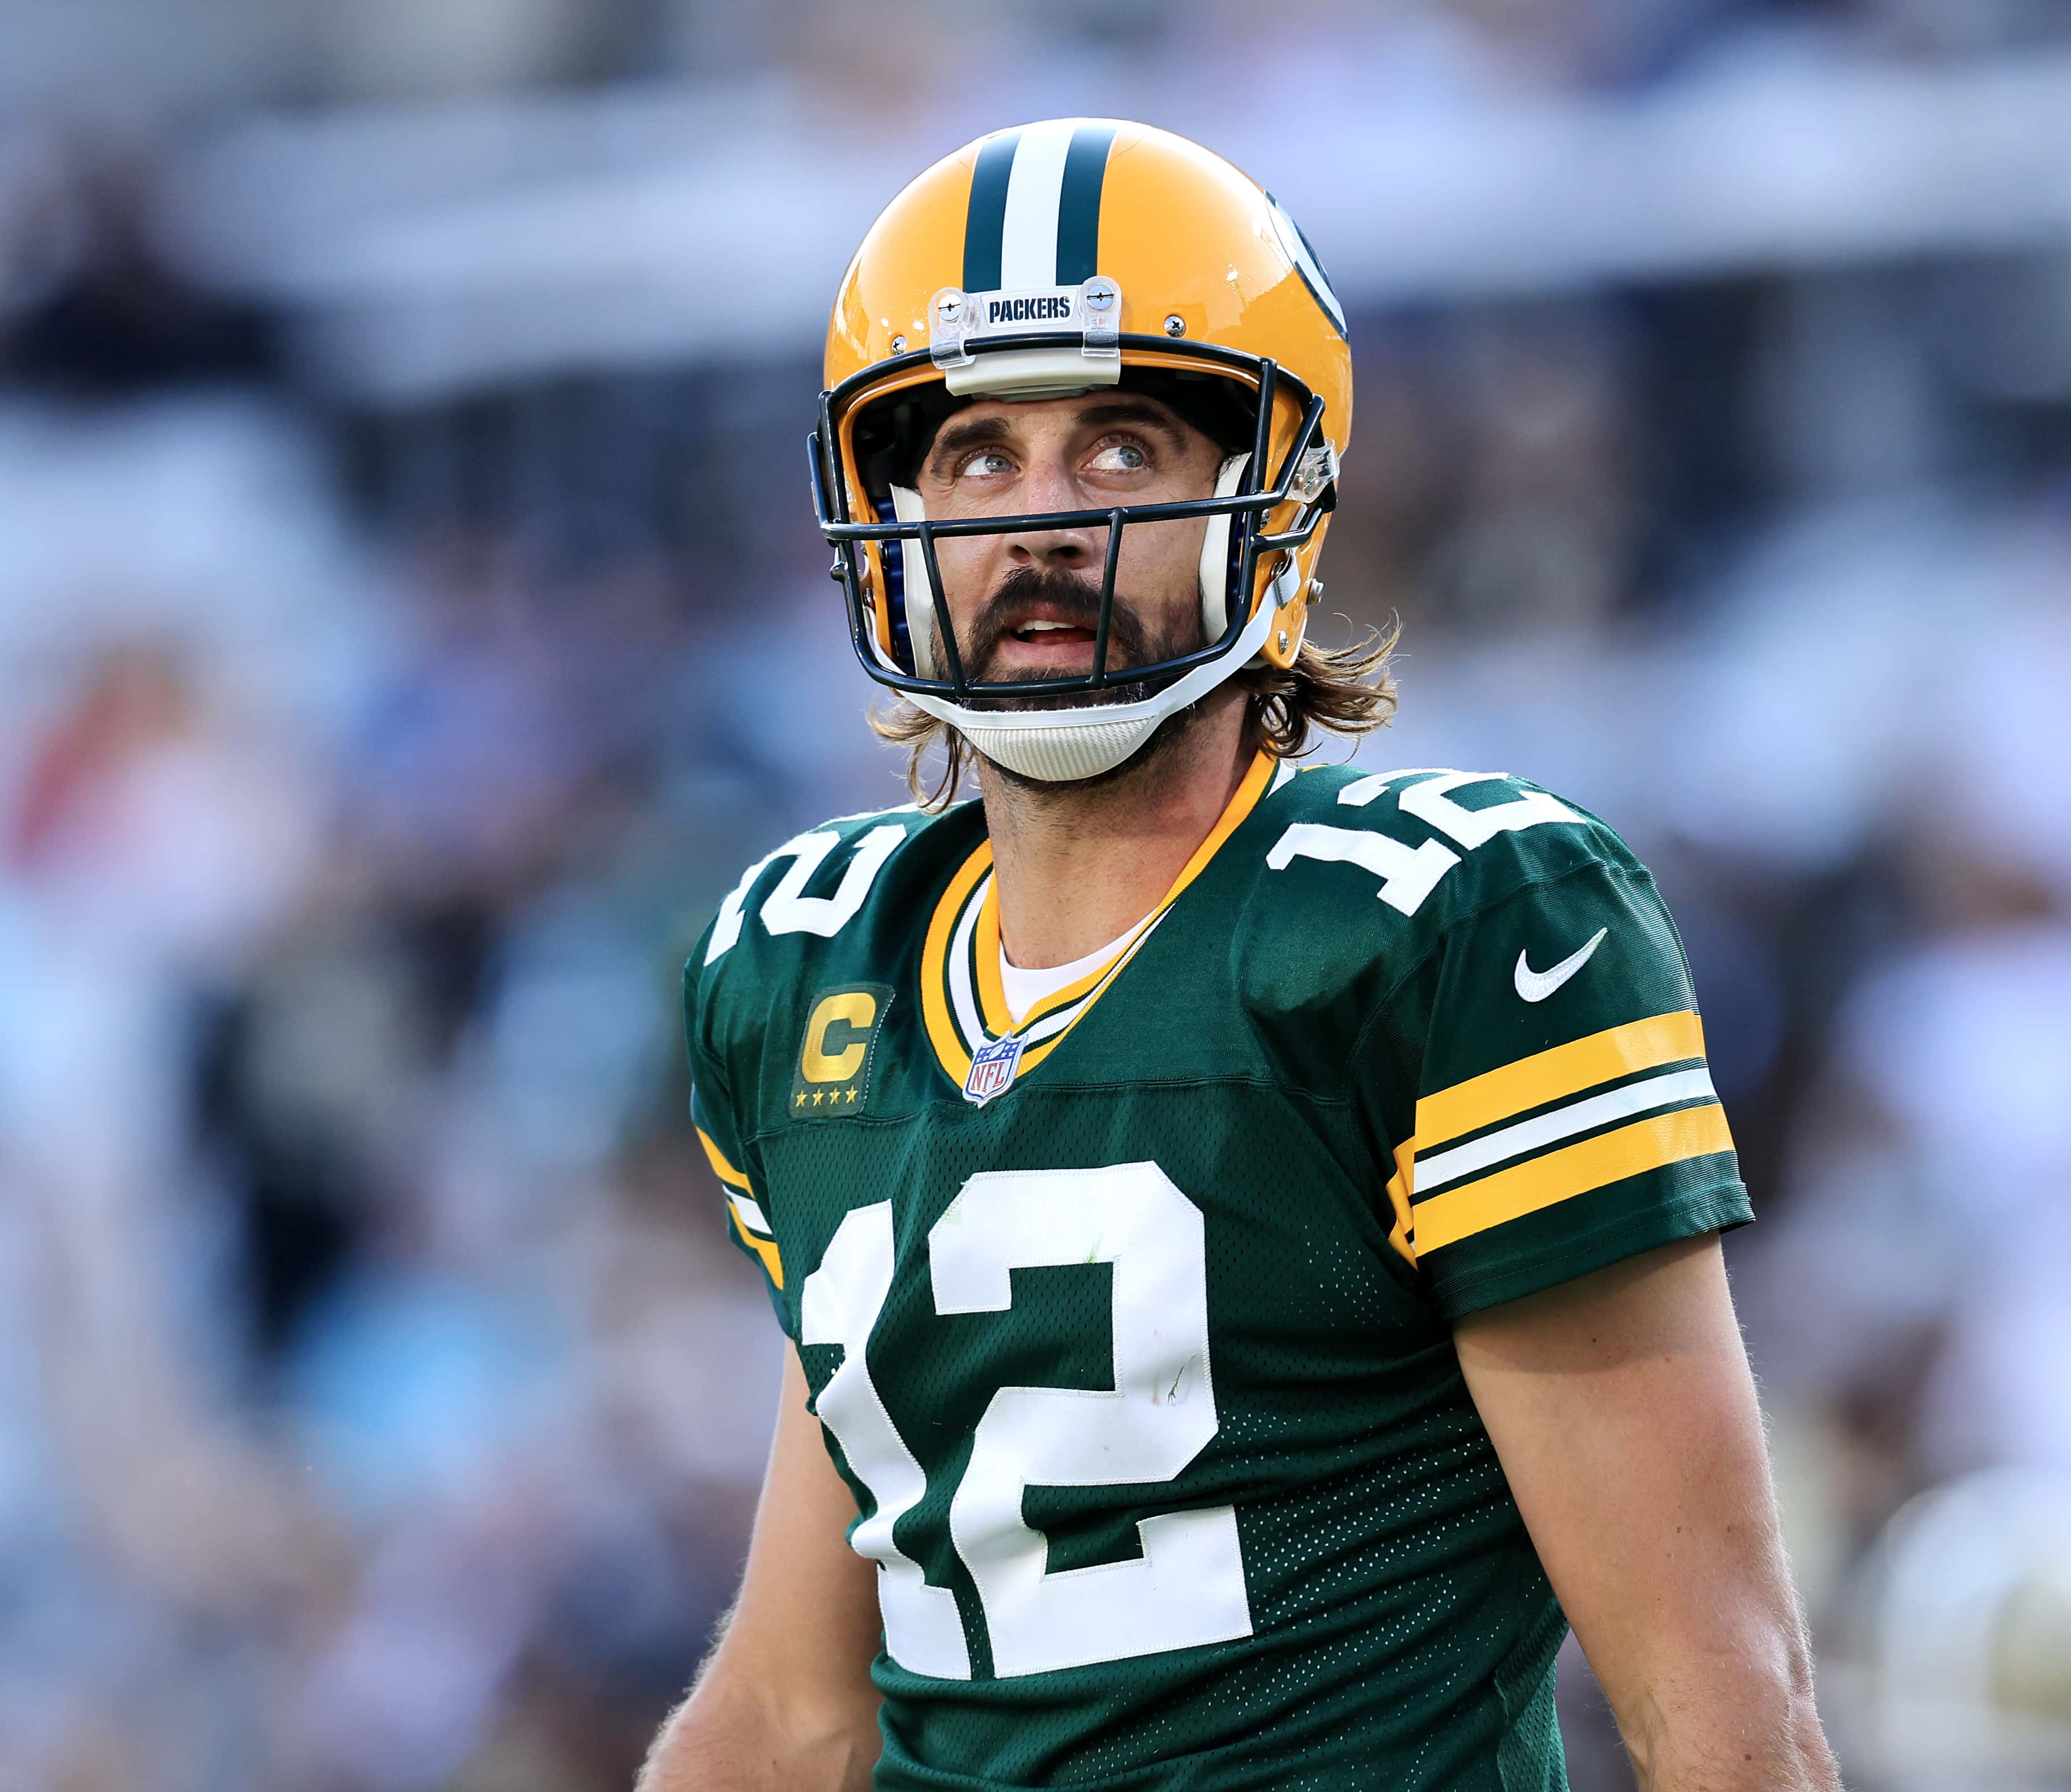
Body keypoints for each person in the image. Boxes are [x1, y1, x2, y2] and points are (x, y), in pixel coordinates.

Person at [640, 119, 1842, 1792]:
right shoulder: (806, 966)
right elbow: (789, 1708)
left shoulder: (1448, 926)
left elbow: (1715, 1696)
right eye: (977, 455)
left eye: (1119, 446)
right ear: (887, 508)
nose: (1041, 520)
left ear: (1270, 492)